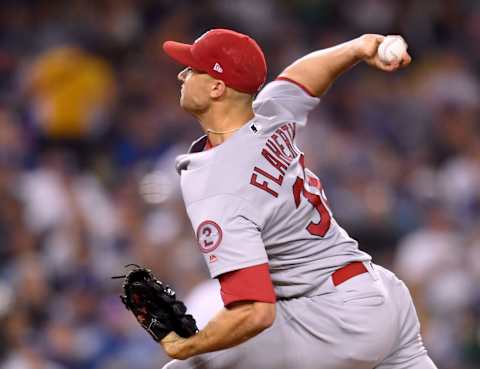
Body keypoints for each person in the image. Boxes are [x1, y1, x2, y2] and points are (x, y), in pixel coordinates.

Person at [159, 28, 437, 369]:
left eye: (192, 68)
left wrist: (186, 345)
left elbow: (255, 312)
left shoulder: (216, 186)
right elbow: (302, 78)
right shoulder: (268, 117)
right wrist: (357, 47)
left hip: (332, 317)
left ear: (217, 87)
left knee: (191, 363)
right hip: (382, 294)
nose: (181, 74)